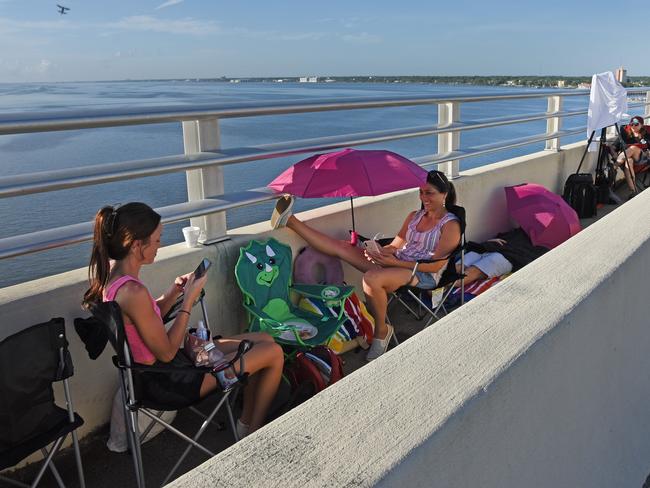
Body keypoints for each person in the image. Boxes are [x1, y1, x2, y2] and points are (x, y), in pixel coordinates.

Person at [82, 202, 283, 437]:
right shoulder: (132, 292)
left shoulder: (113, 275)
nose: (160, 245)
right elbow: (166, 353)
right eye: (156, 240)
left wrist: (173, 292)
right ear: (137, 245)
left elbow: (143, 318)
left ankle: (247, 423)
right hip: (169, 382)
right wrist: (188, 300)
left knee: (264, 338)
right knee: (273, 352)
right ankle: (252, 432)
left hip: (158, 371)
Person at [270, 170, 461, 361]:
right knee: (342, 247)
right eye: (421, 192)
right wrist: (382, 251)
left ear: (444, 194)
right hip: (397, 263)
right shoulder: (415, 216)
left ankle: (381, 331)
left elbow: (435, 266)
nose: (423, 197)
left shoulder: (450, 225)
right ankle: (291, 221)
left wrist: (394, 262)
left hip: (422, 273)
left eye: (429, 193)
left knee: (371, 279)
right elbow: (397, 244)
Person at [613, 115, 649, 199]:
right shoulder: (625, 134)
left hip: (643, 159)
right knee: (628, 161)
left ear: (642, 125)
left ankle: (614, 167)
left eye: (636, 124)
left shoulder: (646, 135)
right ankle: (633, 190)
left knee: (632, 148)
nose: (633, 126)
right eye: (631, 124)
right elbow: (613, 147)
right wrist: (614, 153)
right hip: (628, 159)